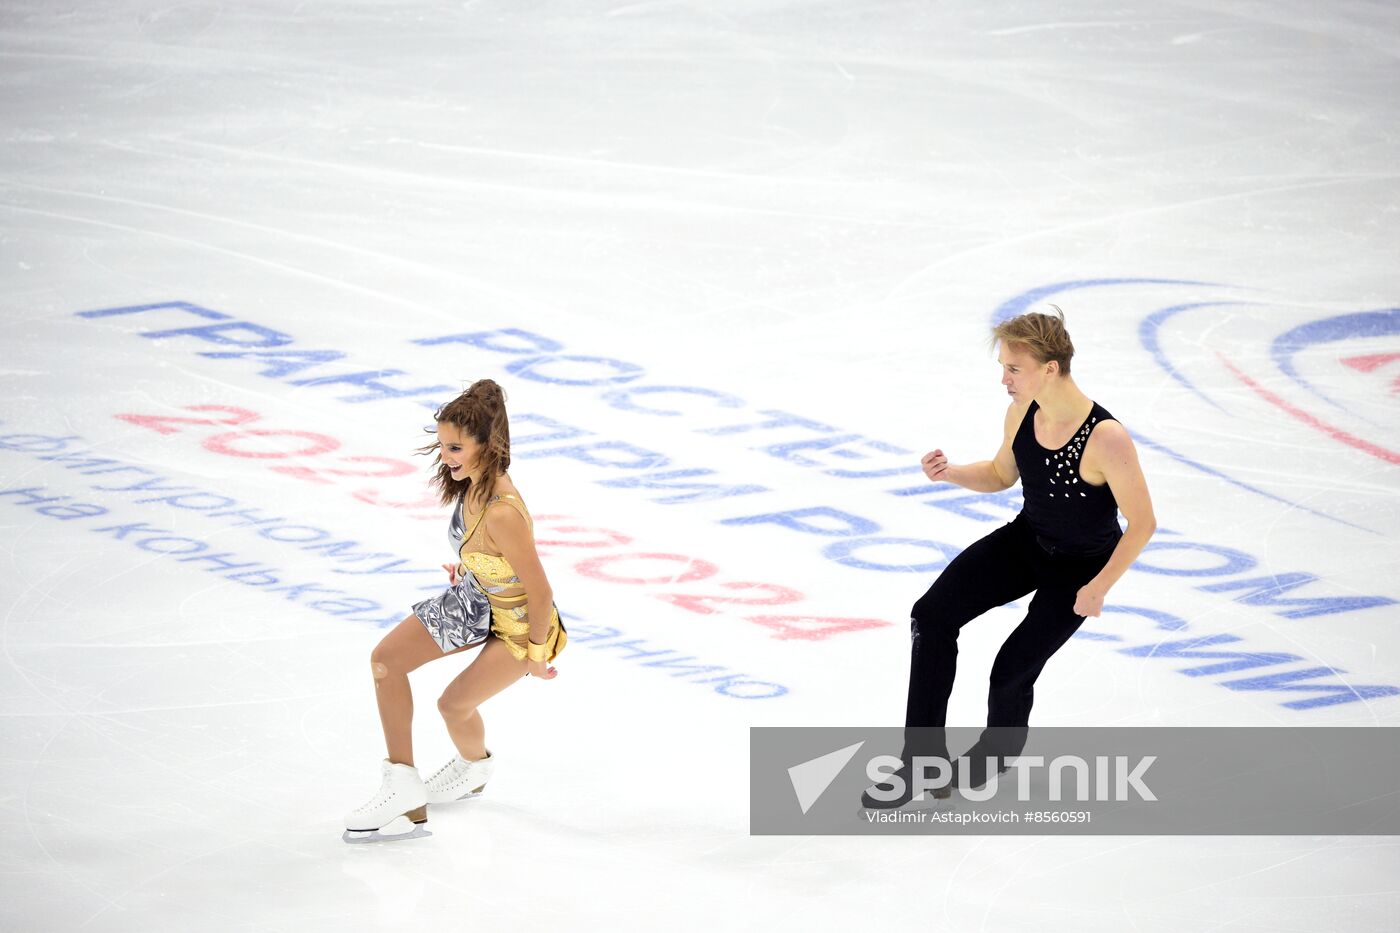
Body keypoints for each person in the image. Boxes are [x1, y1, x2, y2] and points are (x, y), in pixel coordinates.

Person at [864, 307, 1156, 807]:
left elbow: (1143, 523)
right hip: (1027, 541)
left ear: (1050, 367)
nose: (1004, 379)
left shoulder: (1106, 438)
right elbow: (1002, 475)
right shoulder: (1022, 411)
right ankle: (920, 763)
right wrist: (951, 472)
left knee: (1010, 670)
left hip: (1081, 567)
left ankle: (994, 755)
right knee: (931, 616)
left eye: (1013, 369)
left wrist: (1098, 586)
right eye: (1003, 367)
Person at [343, 379, 566, 842]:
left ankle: (473, 768)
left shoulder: (503, 510)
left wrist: (538, 657)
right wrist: (471, 571)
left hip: (518, 630)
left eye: (456, 447)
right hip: (474, 601)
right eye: (442, 445)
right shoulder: (472, 486)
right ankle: (403, 788)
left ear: (488, 444)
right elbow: (488, 555)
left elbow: (540, 592)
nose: (446, 456)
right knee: (386, 662)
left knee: (452, 705)